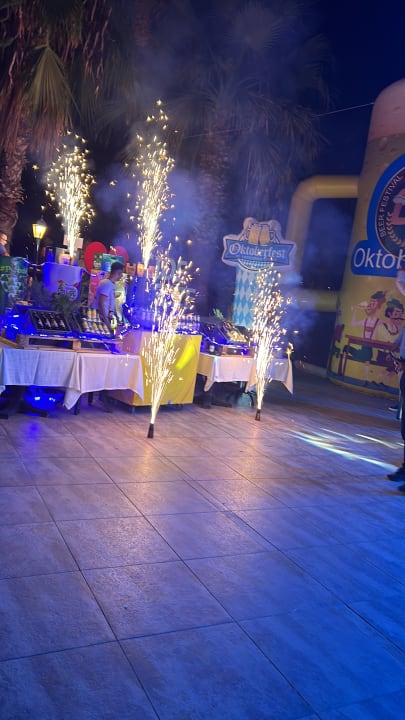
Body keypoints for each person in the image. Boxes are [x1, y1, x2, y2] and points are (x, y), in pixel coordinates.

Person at [93, 261, 124, 332]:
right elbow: (101, 302)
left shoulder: (108, 283)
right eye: (121, 273)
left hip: (102, 316)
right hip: (101, 318)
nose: (121, 276)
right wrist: (106, 320)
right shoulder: (107, 284)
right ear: (118, 273)